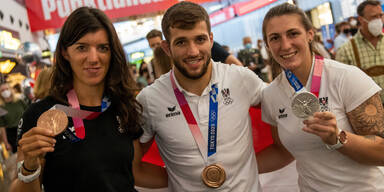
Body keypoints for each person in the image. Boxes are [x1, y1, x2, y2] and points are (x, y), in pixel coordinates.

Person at [10, 7, 167, 192]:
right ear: (65, 52)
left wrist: (195, 178)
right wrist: (29, 167)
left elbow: (135, 172)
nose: (94, 58)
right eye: (82, 47)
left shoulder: (124, 106)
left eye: (103, 48)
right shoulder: (40, 115)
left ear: (112, 52)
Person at [137, 1, 265, 191]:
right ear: (166, 48)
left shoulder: (240, 78)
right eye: (181, 42)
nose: (193, 51)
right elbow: (131, 166)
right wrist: (178, 180)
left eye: (200, 39)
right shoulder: (149, 100)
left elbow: (284, 107)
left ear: (211, 40)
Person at [258, 3, 384, 191]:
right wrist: (233, 168)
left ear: (310, 34)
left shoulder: (346, 77)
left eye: (293, 33)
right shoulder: (270, 95)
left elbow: (381, 152)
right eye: (275, 38)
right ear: (267, 45)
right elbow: (283, 152)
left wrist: (338, 138)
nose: (285, 45)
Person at [336, 0, 384, 103]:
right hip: (368, 112)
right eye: (374, 17)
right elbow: (342, 89)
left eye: (381, 15)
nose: (379, 20)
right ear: (361, 19)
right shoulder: (346, 51)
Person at [0, 82, 27, 153]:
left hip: (24, 129)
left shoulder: (19, 101)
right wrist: (6, 143)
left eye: (6, 89)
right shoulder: (1, 107)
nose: (5, 91)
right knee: (19, 155)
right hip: (12, 135)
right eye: (2, 90)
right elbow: (2, 127)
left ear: (10, 89)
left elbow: (28, 113)